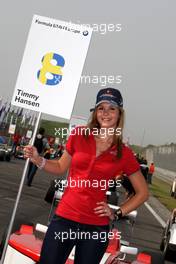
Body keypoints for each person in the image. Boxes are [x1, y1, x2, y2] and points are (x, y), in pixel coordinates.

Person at [24, 88, 149, 264]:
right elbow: (60, 166)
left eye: (111, 108)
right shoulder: (79, 135)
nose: (105, 113)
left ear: (119, 114)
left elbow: (143, 192)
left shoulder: (124, 153)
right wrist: (38, 159)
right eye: (101, 108)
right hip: (65, 219)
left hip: (96, 228)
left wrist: (117, 213)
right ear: (95, 112)